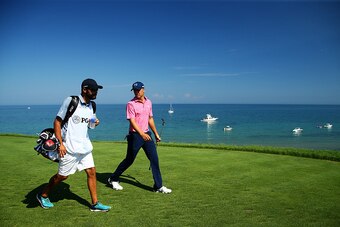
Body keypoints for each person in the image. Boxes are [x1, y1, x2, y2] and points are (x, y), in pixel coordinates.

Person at [36, 78, 111, 212]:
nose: (96, 92)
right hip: (69, 148)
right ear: (84, 89)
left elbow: (89, 125)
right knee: (63, 176)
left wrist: (95, 123)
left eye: (97, 90)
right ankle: (43, 195)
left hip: (85, 147)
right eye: (93, 90)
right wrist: (60, 144)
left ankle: (95, 204)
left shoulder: (92, 106)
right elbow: (57, 122)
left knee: (92, 172)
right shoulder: (71, 101)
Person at [108, 81, 172, 194]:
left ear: (143, 89)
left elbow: (150, 119)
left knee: (154, 160)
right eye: (134, 90)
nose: (136, 92)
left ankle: (158, 186)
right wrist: (142, 134)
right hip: (135, 136)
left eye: (138, 90)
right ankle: (113, 178)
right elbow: (132, 121)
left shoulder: (149, 102)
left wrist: (156, 134)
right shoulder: (130, 104)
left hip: (147, 134)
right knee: (129, 160)